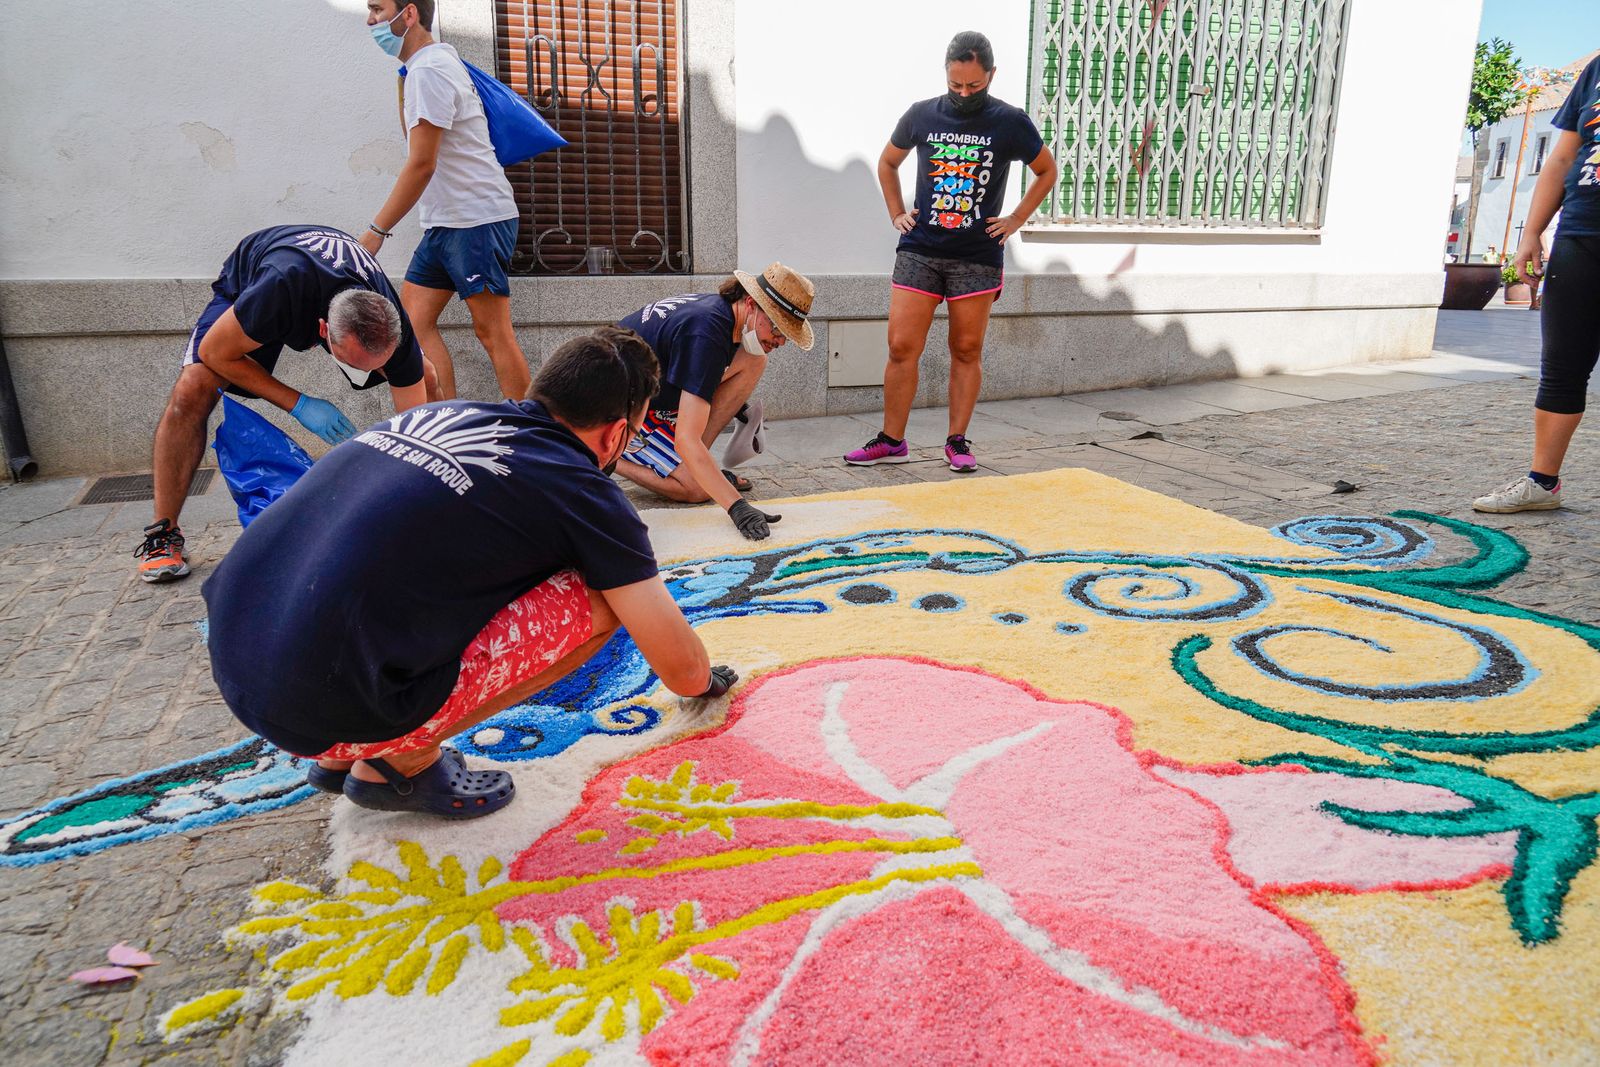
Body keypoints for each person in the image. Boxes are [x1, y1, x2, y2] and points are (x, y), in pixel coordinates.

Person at [201, 328, 738, 819]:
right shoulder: (579, 487)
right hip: (320, 705)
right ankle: (398, 763)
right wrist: (707, 680)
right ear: (617, 433)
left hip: (238, 654)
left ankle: (346, 749)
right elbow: (682, 671)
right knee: (601, 600)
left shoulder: (443, 413)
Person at [137, 224, 434, 584]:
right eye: (355, 365)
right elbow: (214, 352)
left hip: (333, 293)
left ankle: (438, 501)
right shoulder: (277, 289)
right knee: (193, 386)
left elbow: (413, 427)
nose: (365, 376)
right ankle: (162, 533)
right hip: (258, 279)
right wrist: (300, 404)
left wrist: (415, 501)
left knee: (425, 376)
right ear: (322, 333)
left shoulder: (390, 321)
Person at [844, 30, 1056, 473]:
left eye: (974, 86)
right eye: (955, 84)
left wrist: (1016, 219)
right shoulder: (921, 115)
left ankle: (957, 442)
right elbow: (888, 162)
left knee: (966, 349)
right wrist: (896, 212)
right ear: (946, 74)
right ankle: (891, 440)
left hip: (977, 256)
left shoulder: (1009, 121)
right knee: (902, 346)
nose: (963, 93)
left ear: (991, 76)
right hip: (920, 249)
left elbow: (1046, 170)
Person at [361, 0, 531, 402]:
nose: (370, 21)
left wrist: (376, 231)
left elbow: (421, 164)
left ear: (409, 14)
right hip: (446, 222)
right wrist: (403, 78)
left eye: (377, 10)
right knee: (413, 324)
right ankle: (448, 426)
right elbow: (415, 146)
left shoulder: (431, 70)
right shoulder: (420, 70)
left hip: (476, 219)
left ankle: (536, 441)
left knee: (493, 333)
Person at [1475, 53, 1600, 514]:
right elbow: (1564, 156)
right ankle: (1542, 483)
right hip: (1582, 236)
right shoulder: (1596, 70)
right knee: (1563, 367)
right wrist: (1531, 233)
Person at [613, 263, 816, 541]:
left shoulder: (724, 315)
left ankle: (699, 465)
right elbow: (686, 439)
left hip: (652, 394)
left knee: (755, 359)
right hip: (615, 409)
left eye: (787, 336)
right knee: (696, 489)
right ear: (751, 303)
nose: (780, 341)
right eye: (778, 328)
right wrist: (737, 507)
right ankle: (608, 456)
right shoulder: (706, 332)